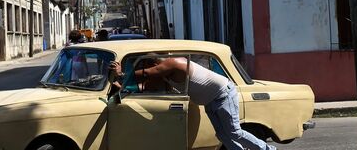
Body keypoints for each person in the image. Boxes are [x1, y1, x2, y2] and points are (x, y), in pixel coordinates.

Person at [109, 56, 276, 150]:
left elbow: (146, 75)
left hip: (223, 95)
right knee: (223, 135)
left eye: (146, 67)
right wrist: (120, 86)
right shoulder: (164, 74)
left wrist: (121, 74)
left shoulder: (173, 64)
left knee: (234, 132)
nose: (149, 72)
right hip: (211, 100)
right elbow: (143, 85)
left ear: (153, 63)